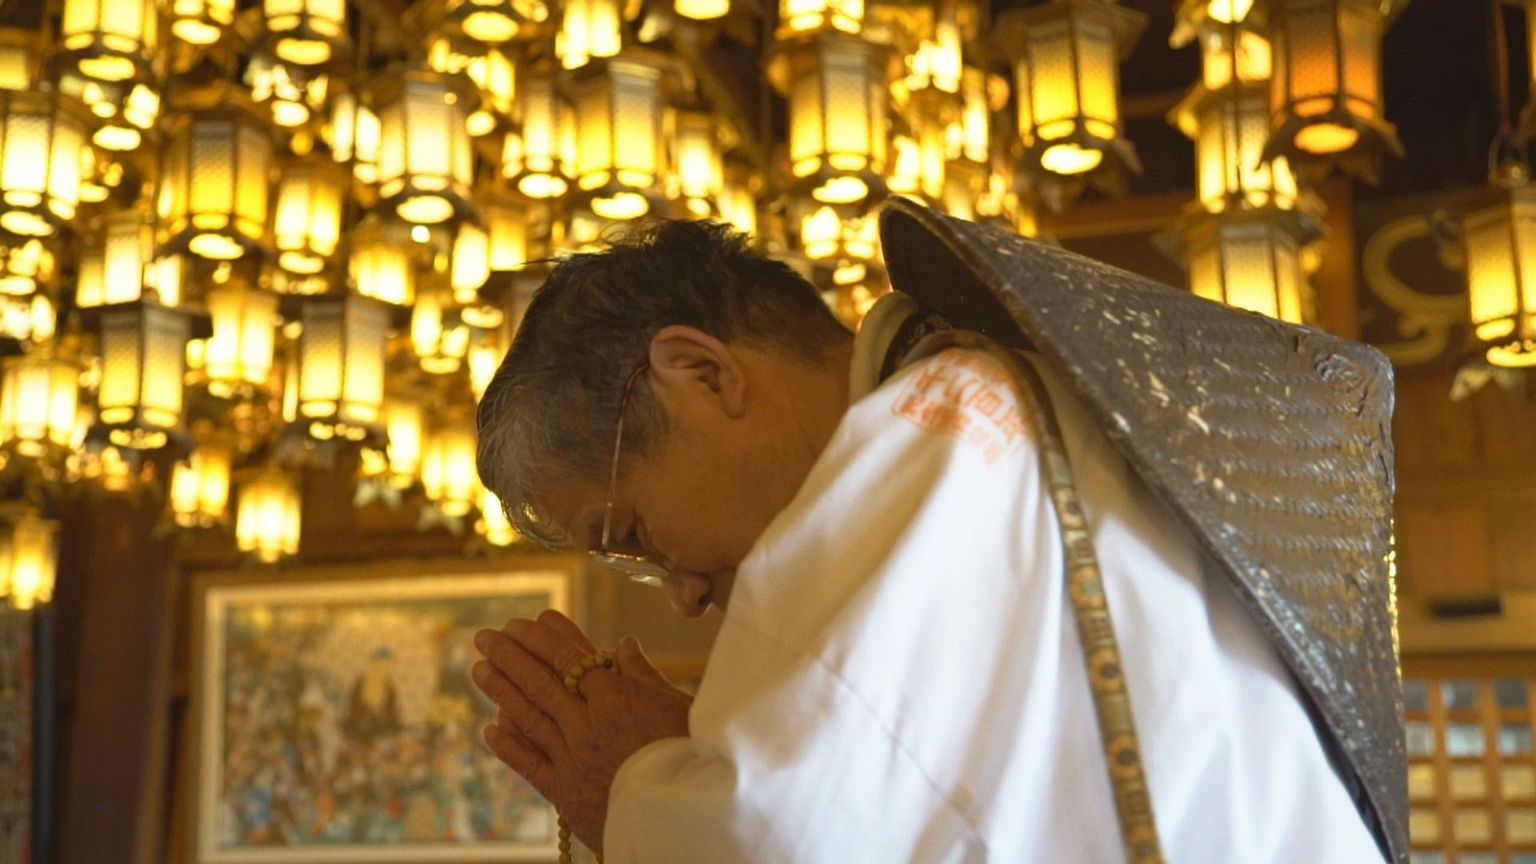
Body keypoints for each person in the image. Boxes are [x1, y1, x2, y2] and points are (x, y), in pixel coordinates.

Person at [470, 199, 1407, 863]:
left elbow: (793, 841)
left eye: (632, 530)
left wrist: (634, 788)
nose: (680, 590)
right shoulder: (1003, 413)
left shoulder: (945, 433)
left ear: (702, 374)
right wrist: (709, 769)